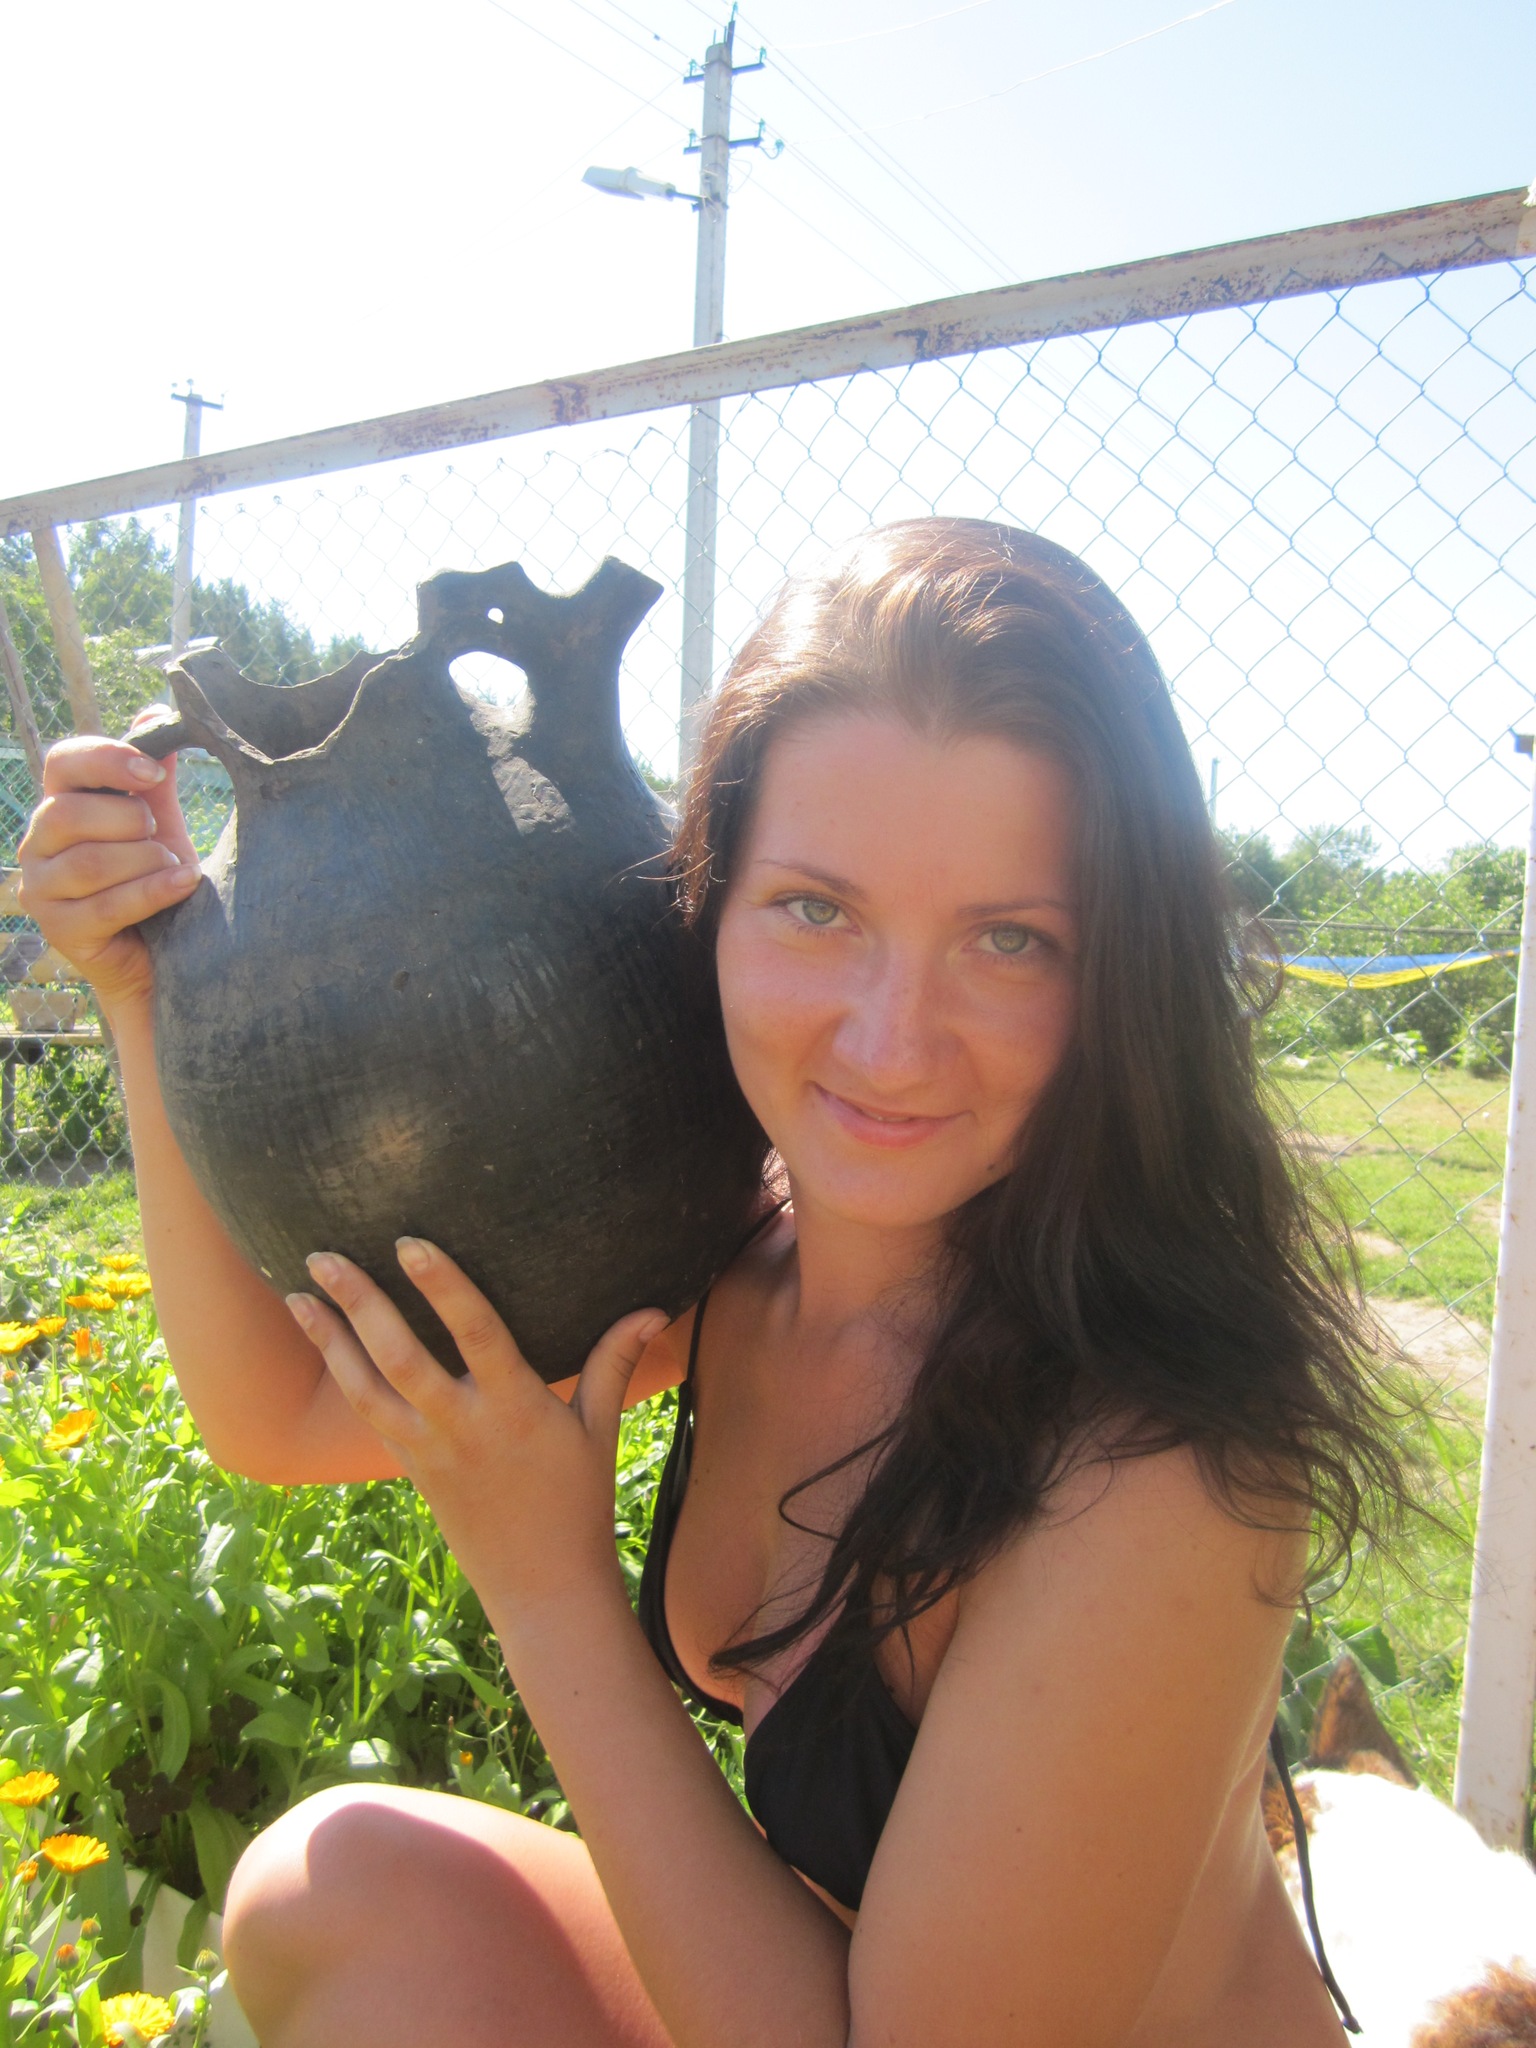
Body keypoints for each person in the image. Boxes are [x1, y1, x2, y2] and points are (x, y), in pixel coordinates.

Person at [18, 517, 1403, 2048]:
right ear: (706, 907)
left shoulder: (1160, 1465)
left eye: (1011, 940)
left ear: (1125, 978)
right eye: (818, 908)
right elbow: (280, 1413)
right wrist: (144, 989)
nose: (890, 1042)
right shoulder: (742, 1272)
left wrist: (547, 1588)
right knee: (330, 1888)